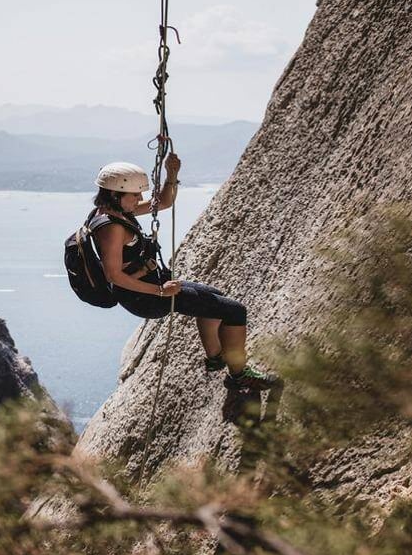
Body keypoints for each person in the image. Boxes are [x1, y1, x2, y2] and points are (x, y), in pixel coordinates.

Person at [90, 157, 280, 390]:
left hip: (153, 286)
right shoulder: (111, 227)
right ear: (115, 194)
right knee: (235, 311)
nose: (140, 199)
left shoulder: (116, 212)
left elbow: (164, 203)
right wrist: (160, 291)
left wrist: (171, 174)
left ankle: (215, 358)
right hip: (146, 297)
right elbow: (113, 276)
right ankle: (239, 376)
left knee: (214, 297)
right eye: (135, 195)